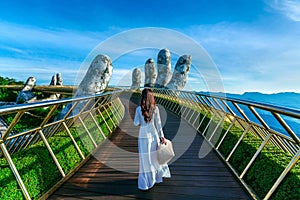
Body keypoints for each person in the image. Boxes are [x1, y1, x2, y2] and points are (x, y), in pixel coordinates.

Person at [134, 88, 171, 190]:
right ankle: (156, 178)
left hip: (143, 136)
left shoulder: (138, 109)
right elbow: (158, 125)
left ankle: (146, 181)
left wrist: (140, 117)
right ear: (151, 97)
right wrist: (162, 137)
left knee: (144, 159)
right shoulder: (155, 109)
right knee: (154, 157)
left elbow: (136, 123)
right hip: (153, 135)